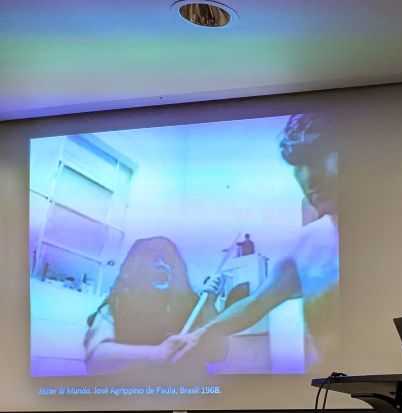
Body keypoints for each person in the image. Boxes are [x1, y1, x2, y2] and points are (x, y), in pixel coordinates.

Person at [164, 112, 340, 373]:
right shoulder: (305, 245)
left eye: (318, 159)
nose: (309, 179)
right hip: (333, 396)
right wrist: (199, 335)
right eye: (298, 166)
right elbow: (255, 304)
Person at [83, 236, 222, 374]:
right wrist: (156, 353)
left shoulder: (193, 305)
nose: (162, 263)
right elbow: (96, 358)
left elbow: (218, 354)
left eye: (167, 259)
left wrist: (209, 303)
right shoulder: (117, 304)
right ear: (136, 269)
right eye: (153, 259)